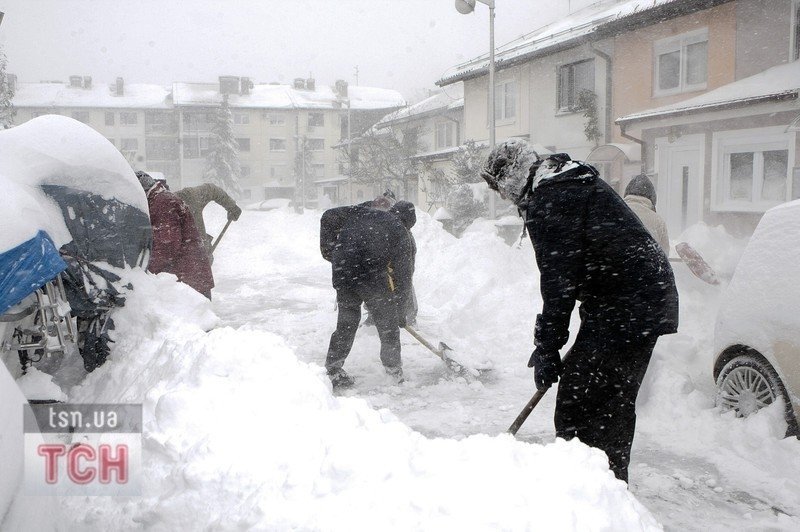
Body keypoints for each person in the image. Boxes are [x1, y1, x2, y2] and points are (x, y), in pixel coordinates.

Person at [480, 140, 679, 483]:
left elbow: (559, 283)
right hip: (629, 299)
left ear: (512, 177)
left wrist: (548, 347)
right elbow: (568, 276)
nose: (502, 196)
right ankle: (596, 483)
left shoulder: (552, 198)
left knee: (587, 404)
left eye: (499, 187)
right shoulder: (561, 183)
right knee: (597, 398)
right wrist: (549, 344)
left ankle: (594, 488)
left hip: (629, 304)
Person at [320, 200, 416, 388]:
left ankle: (333, 369)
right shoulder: (399, 230)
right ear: (407, 222)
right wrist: (400, 312)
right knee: (388, 325)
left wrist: (332, 252)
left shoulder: (361, 211)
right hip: (371, 278)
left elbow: (327, 216)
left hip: (343, 273)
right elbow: (404, 277)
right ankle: (393, 372)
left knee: (346, 323)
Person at [136, 171, 215, 298]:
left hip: (188, 281)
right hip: (191, 275)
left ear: (140, 191)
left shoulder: (162, 203)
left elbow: (167, 245)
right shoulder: (160, 199)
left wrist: (145, 271)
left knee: (193, 311)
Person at [175, 183, 242, 256]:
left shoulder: (189, 196)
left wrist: (232, 206)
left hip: (198, 251)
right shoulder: (189, 196)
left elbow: (212, 190)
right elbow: (212, 190)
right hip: (196, 253)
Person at [623, 174, 669, 253]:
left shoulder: (615, 213)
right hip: (645, 260)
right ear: (652, 197)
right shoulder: (658, 221)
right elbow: (664, 254)